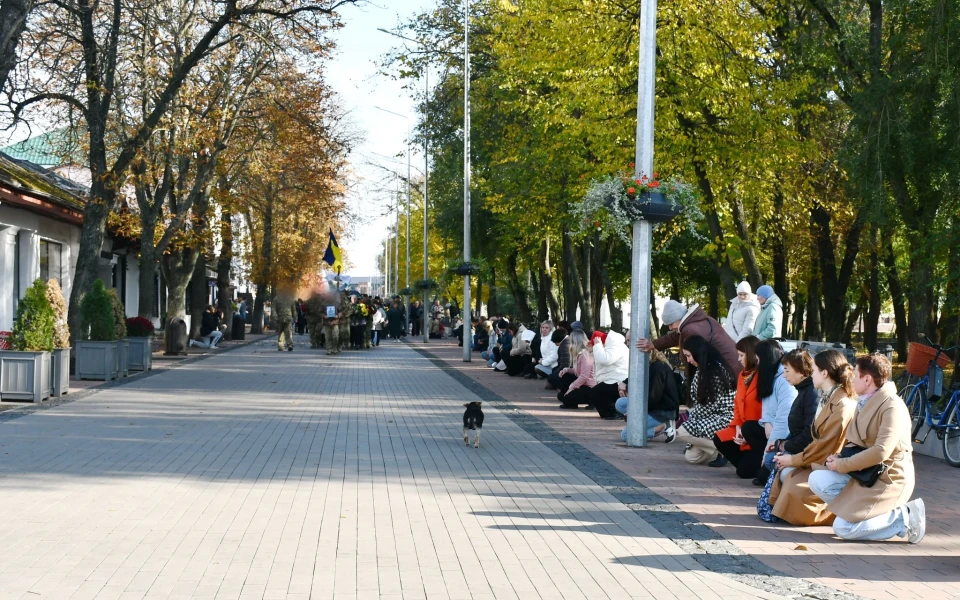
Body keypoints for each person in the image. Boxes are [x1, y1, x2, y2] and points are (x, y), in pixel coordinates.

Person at [808, 354, 925, 543]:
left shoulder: (892, 406)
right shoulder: (864, 400)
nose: (851, 378)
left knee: (843, 528)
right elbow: (858, 442)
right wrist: (839, 457)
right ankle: (852, 515)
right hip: (865, 472)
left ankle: (903, 517)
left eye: (855, 374)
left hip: (888, 477)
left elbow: (881, 451)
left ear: (867, 379)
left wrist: (843, 464)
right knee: (817, 478)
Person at [767, 349, 857, 526]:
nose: (811, 374)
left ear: (824, 373)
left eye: (814, 370)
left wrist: (793, 459)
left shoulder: (842, 404)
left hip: (831, 463)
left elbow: (826, 446)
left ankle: (838, 512)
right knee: (787, 476)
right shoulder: (828, 398)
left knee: (792, 485)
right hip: (820, 459)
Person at [635, 300, 741, 377]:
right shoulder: (697, 322)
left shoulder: (690, 330)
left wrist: (690, 376)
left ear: (679, 318)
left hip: (725, 371)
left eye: (671, 324)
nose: (670, 328)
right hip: (732, 365)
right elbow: (675, 337)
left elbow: (696, 357)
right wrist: (653, 345)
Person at [674, 335, 737, 464]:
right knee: (691, 457)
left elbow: (708, 407)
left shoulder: (714, 372)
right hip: (711, 416)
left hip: (723, 418)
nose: (688, 360)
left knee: (682, 430)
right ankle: (718, 450)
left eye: (688, 355)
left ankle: (726, 450)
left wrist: (691, 422)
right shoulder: (704, 369)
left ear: (697, 352)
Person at [712, 336, 764, 477]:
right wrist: (738, 428)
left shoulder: (763, 376)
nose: (739, 359)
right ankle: (748, 464)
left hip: (758, 432)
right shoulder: (742, 375)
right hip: (744, 428)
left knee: (744, 472)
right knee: (720, 437)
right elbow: (737, 403)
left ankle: (753, 465)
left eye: (741, 355)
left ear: (752, 354)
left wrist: (746, 433)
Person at [752, 339, 798, 484]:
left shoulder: (785, 382)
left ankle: (767, 463)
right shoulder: (769, 376)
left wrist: (768, 449)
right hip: (771, 429)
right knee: (749, 428)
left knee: (763, 472)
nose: (757, 363)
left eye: (758, 359)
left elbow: (783, 420)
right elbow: (766, 405)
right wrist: (766, 422)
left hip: (784, 434)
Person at [614, 349, 679, 443]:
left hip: (662, 411)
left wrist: (635, 411)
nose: (628, 345)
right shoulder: (649, 364)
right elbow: (636, 378)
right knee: (620, 403)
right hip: (654, 406)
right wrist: (624, 385)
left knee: (626, 435)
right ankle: (644, 424)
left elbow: (653, 398)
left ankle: (662, 427)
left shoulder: (657, 369)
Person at [589, 330, 630, 419]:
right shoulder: (610, 346)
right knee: (597, 392)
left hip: (620, 380)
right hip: (614, 378)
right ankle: (609, 412)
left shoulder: (616, 345)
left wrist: (597, 345)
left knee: (596, 392)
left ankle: (615, 412)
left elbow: (606, 359)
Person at [558, 329, 595, 408]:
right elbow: (577, 371)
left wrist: (572, 387)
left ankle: (592, 400)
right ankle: (573, 400)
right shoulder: (579, 353)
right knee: (561, 396)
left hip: (589, 386)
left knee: (566, 399)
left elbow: (584, 376)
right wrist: (566, 370)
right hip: (583, 384)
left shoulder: (585, 354)